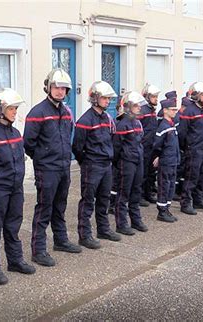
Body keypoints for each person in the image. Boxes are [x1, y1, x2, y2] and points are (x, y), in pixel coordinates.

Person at [0, 88, 36, 285]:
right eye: (11, 108)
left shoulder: (16, 132)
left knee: (13, 226)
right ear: (0, 109)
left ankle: (15, 260)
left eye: (15, 108)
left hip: (15, 188)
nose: (14, 112)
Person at [24, 68, 82, 267]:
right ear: (48, 87)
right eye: (56, 87)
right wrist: (42, 158)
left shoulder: (66, 112)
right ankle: (38, 250)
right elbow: (28, 143)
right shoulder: (37, 112)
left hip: (63, 167)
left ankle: (61, 240)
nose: (60, 91)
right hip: (47, 168)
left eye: (64, 88)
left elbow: (68, 136)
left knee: (60, 205)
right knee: (44, 208)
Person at [72, 81, 121, 249]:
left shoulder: (107, 118)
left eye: (109, 98)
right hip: (92, 165)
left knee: (104, 198)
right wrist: (85, 161)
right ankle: (84, 235)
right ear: (95, 98)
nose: (108, 101)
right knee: (88, 200)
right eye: (105, 98)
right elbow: (77, 147)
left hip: (106, 165)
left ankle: (103, 229)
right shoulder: (85, 120)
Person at [113, 91, 148, 235]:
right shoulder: (122, 124)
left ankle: (136, 220)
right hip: (126, 162)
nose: (139, 107)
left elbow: (140, 141)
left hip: (138, 160)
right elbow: (116, 147)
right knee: (123, 193)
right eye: (136, 105)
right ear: (128, 107)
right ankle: (121, 223)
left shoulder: (137, 122)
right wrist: (119, 163)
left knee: (136, 191)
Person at [177, 82, 203, 215]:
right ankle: (185, 202)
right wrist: (187, 147)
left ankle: (198, 199)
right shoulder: (189, 111)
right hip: (194, 150)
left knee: (201, 176)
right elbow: (182, 132)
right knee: (191, 177)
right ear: (196, 95)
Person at [152, 98, 180, 223]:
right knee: (164, 185)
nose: (175, 112)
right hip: (166, 160)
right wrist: (158, 157)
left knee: (170, 185)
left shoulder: (171, 125)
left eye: (176, 109)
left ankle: (167, 208)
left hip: (173, 159)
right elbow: (157, 145)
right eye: (172, 110)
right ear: (165, 110)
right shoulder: (163, 126)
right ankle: (162, 211)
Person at [139, 83, 162, 206]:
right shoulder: (143, 110)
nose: (156, 99)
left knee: (150, 172)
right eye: (153, 96)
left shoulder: (152, 111)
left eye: (157, 96)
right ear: (147, 97)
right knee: (142, 173)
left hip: (152, 145)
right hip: (144, 146)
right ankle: (140, 196)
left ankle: (148, 193)